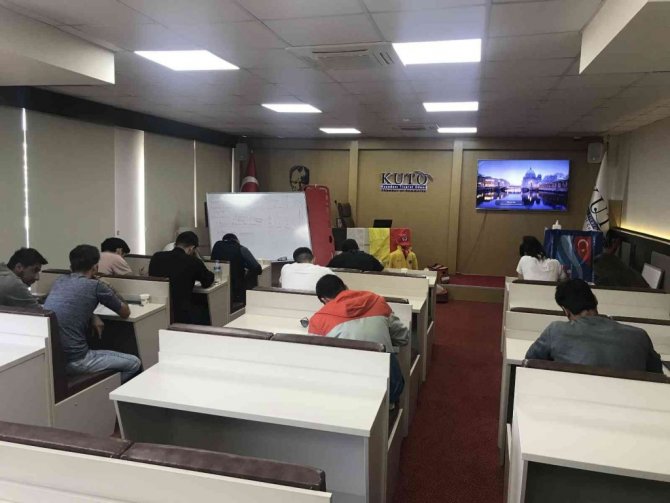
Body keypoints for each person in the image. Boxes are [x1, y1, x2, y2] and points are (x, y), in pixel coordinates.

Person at [43, 245, 141, 383]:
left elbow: (70, 304)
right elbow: (125, 312)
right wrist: (107, 285)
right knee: (134, 363)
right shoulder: (96, 286)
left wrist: (93, 315)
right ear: (95, 267)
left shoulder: (60, 280)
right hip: (77, 361)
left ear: (71, 266)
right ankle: (107, 393)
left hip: (54, 359)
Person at [309, 275, 409, 405]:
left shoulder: (318, 319)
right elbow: (403, 338)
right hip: (389, 384)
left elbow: (317, 360)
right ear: (345, 287)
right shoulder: (377, 301)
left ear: (324, 299)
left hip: (347, 388)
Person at [525, 279, 662, 373]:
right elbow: (657, 374)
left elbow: (530, 362)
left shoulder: (556, 331)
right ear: (595, 300)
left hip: (572, 401)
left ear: (566, 311)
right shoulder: (639, 336)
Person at [149, 231, 214, 324]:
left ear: (175, 244)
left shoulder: (156, 257)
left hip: (158, 310)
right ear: (192, 248)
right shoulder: (193, 261)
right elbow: (207, 281)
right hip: (181, 313)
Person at [210, 233, 262, 306]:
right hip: (237, 290)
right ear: (237, 241)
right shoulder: (241, 249)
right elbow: (258, 269)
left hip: (218, 286)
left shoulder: (216, 246)